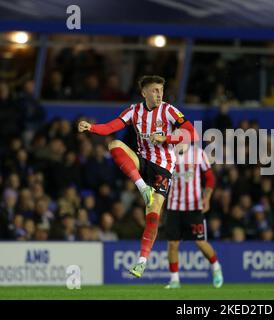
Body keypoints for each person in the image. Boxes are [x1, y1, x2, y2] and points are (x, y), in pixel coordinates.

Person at [78, 75, 198, 277]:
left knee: (153, 215)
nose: (159, 95)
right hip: (142, 163)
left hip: (163, 168)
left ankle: (141, 262)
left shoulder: (169, 111)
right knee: (114, 145)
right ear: (144, 93)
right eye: (155, 91)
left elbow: (192, 133)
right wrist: (91, 127)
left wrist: (166, 138)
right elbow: (111, 127)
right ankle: (143, 187)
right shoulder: (134, 111)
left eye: (161, 90)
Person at [164, 143, 223, 289]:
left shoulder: (198, 154)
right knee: (172, 244)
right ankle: (174, 280)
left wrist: (207, 197)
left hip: (193, 206)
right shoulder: (168, 154)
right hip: (174, 206)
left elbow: (210, 178)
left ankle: (216, 267)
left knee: (200, 242)